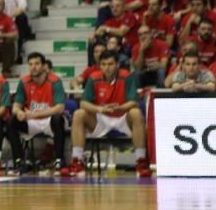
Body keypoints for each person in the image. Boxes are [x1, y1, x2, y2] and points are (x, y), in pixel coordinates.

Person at [62, 50, 151, 178]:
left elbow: (134, 102)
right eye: (103, 64)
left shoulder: (127, 76)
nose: (107, 68)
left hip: (122, 117)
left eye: (110, 64)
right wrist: (100, 109)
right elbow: (83, 103)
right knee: (79, 114)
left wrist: (120, 108)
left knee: (136, 113)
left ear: (117, 65)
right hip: (101, 118)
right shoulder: (93, 78)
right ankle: (77, 161)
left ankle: (141, 162)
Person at [9, 53, 67, 173]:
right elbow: (15, 106)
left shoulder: (55, 81)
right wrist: (19, 112)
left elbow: (60, 108)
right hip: (32, 121)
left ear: (44, 66)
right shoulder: (24, 82)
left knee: (58, 119)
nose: (33, 67)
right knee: (11, 122)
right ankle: (19, 161)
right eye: (30, 64)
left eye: (37, 64)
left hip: (49, 120)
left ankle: (59, 161)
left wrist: (35, 114)